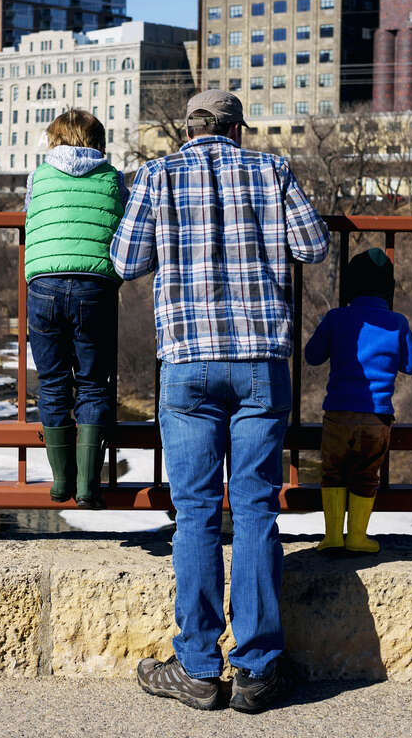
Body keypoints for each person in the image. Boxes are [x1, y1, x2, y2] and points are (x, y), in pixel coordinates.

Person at [114, 89, 329, 714]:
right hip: (261, 360)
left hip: (187, 362)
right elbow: (313, 246)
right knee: (256, 508)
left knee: (197, 512)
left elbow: (125, 261)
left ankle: (198, 668)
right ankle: (257, 671)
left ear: (189, 130)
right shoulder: (271, 169)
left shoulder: (157, 174)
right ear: (236, 130)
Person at [23, 109, 126, 509]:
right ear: (98, 142)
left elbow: (31, 215)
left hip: (44, 284)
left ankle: (60, 481)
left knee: (52, 383)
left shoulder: (39, 176)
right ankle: (87, 485)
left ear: (55, 140)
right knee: (93, 384)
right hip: (95, 286)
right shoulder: (113, 177)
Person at [303, 248, 412, 553]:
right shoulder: (397, 322)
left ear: (350, 286)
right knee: (366, 475)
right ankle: (356, 537)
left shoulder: (336, 318)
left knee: (332, 472)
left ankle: (332, 536)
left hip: (338, 412)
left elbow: (312, 356)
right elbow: (411, 365)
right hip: (376, 416)